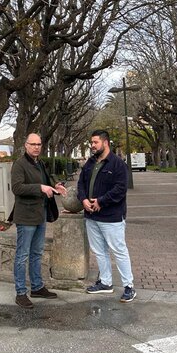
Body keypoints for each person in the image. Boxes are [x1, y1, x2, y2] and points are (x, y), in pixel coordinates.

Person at [77, 129, 136, 303]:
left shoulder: (118, 164)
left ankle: (129, 287)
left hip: (111, 217)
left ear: (105, 142)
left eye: (95, 142)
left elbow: (120, 189)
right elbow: (81, 183)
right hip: (91, 216)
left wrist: (101, 201)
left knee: (119, 251)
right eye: (91, 142)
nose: (92, 145)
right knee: (99, 251)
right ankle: (105, 282)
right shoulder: (90, 163)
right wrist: (83, 200)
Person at [10, 134, 67, 309]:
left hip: (40, 214)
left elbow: (46, 182)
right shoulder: (19, 164)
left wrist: (54, 187)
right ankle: (21, 293)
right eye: (32, 144)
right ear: (26, 145)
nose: (36, 147)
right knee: (22, 256)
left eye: (39, 144)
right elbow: (17, 188)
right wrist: (40, 188)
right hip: (26, 216)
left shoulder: (40, 163)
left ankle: (37, 287)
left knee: (37, 253)